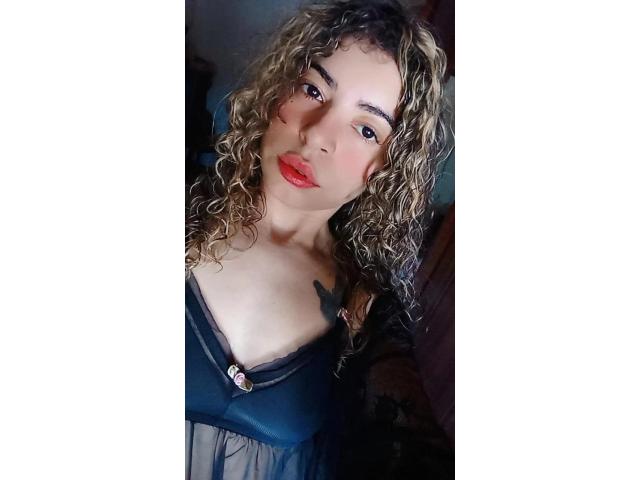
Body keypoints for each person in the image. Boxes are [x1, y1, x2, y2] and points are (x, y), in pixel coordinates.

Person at [185, 1, 449, 478]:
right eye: (312, 90)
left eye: (366, 129)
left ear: (387, 167)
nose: (315, 136)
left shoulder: (366, 313)